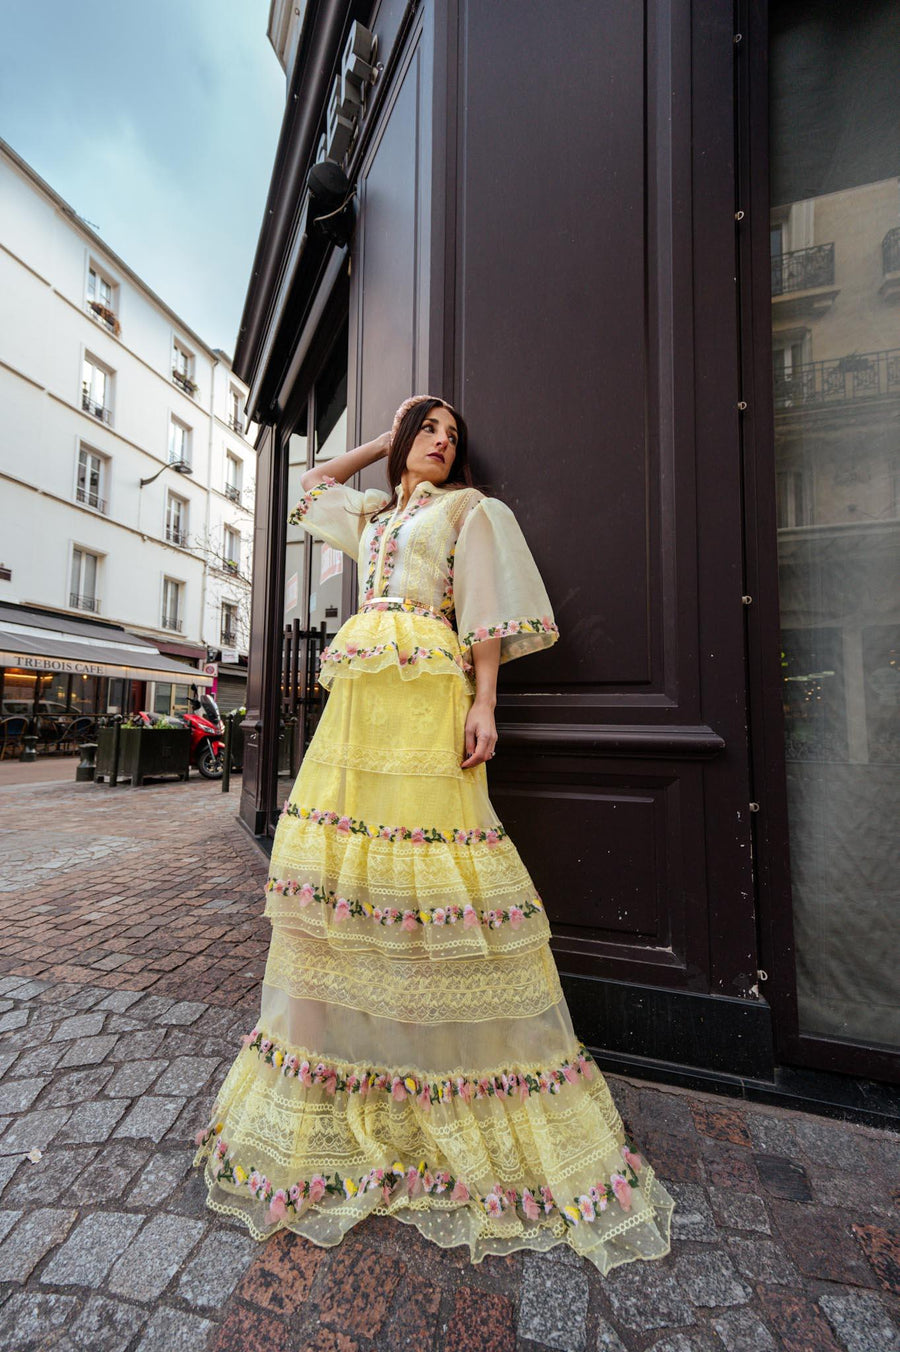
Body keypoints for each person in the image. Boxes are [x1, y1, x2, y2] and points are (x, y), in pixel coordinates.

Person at [191, 395, 676, 1273]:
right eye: (431, 429)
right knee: (354, 874)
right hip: (360, 705)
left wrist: (486, 704)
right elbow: (309, 490)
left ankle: (445, 1059)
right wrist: (380, 443)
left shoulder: (471, 513)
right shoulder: (377, 517)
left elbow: (485, 615)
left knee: (433, 865)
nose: (444, 443)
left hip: (427, 696)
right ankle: (351, 1047)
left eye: (452, 435)